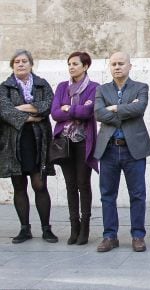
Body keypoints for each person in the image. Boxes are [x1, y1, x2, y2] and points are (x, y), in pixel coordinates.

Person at [94, 52, 150, 253]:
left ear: (130, 66)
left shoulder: (141, 87)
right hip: (109, 148)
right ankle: (109, 236)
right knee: (107, 195)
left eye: (121, 63)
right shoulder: (101, 90)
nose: (117, 67)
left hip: (133, 148)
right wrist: (127, 109)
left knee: (137, 194)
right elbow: (98, 113)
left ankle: (138, 235)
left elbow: (140, 109)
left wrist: (113, 109)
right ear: (109, 67)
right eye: (113, 64)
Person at [0, 50, 57, 244]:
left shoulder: (42, 84)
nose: (20, 64)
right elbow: (5, 111)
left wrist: (21, 109)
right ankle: (24, 229)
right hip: (14, 142)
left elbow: (48, 105)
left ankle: (46, 228)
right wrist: (31, 115)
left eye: (24, 61)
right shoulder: (5, 88)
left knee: (39, 184)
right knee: (19, 185)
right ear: (12, 65)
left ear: (31, 64)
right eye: (17, 62)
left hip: (38, 141)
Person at [51, 51, 100, 245]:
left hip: (83, 142)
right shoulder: (62, 87)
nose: (71, 67)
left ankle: (85, 228)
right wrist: (73, 111)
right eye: (69, 64)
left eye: (75, 64)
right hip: (64, 143)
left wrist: (67, 109)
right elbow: (55, 113)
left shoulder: (94, 87)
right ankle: (74, 227)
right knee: (70, 185)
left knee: (83, 184)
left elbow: (88, 112)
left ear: (86, 66)